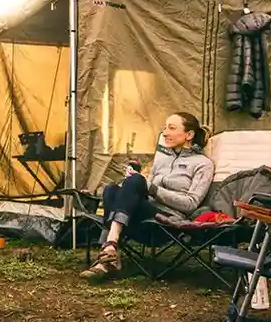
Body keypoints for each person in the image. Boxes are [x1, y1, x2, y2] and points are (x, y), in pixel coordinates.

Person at [81, 112, 215, 278]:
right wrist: (130, 183)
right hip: (141, 218)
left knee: (136, 181)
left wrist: (152, 188)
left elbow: (191, 204)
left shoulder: (203, 164)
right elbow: (143, 190)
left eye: (172, 128)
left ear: (189, 134)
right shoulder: (162, 160)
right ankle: (111, 247)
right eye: (165, 128)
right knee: (112, 189)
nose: (165, 133)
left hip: (167, 223)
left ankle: (109, 248)